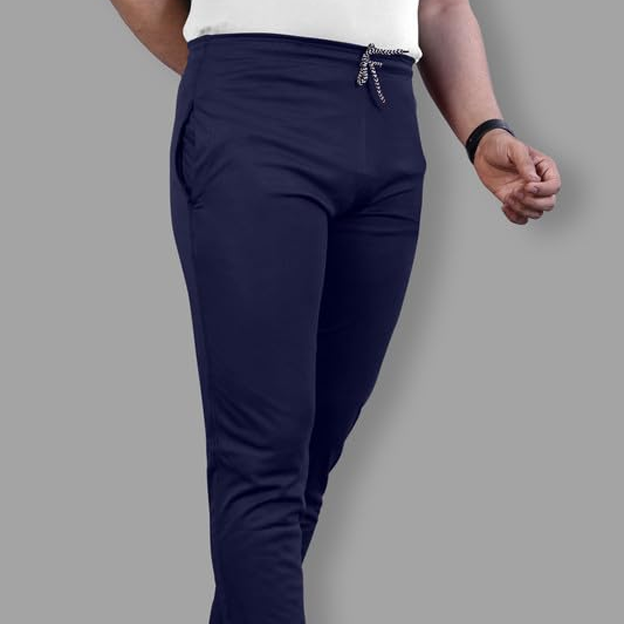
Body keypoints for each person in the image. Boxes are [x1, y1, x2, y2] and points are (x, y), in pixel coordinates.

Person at [109, 0, 562, 622]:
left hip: (386, 123)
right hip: (253, 113)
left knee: (306, 464)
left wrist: (485, 132)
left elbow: (440, 7)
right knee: (263, 461)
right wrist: (246, 71)